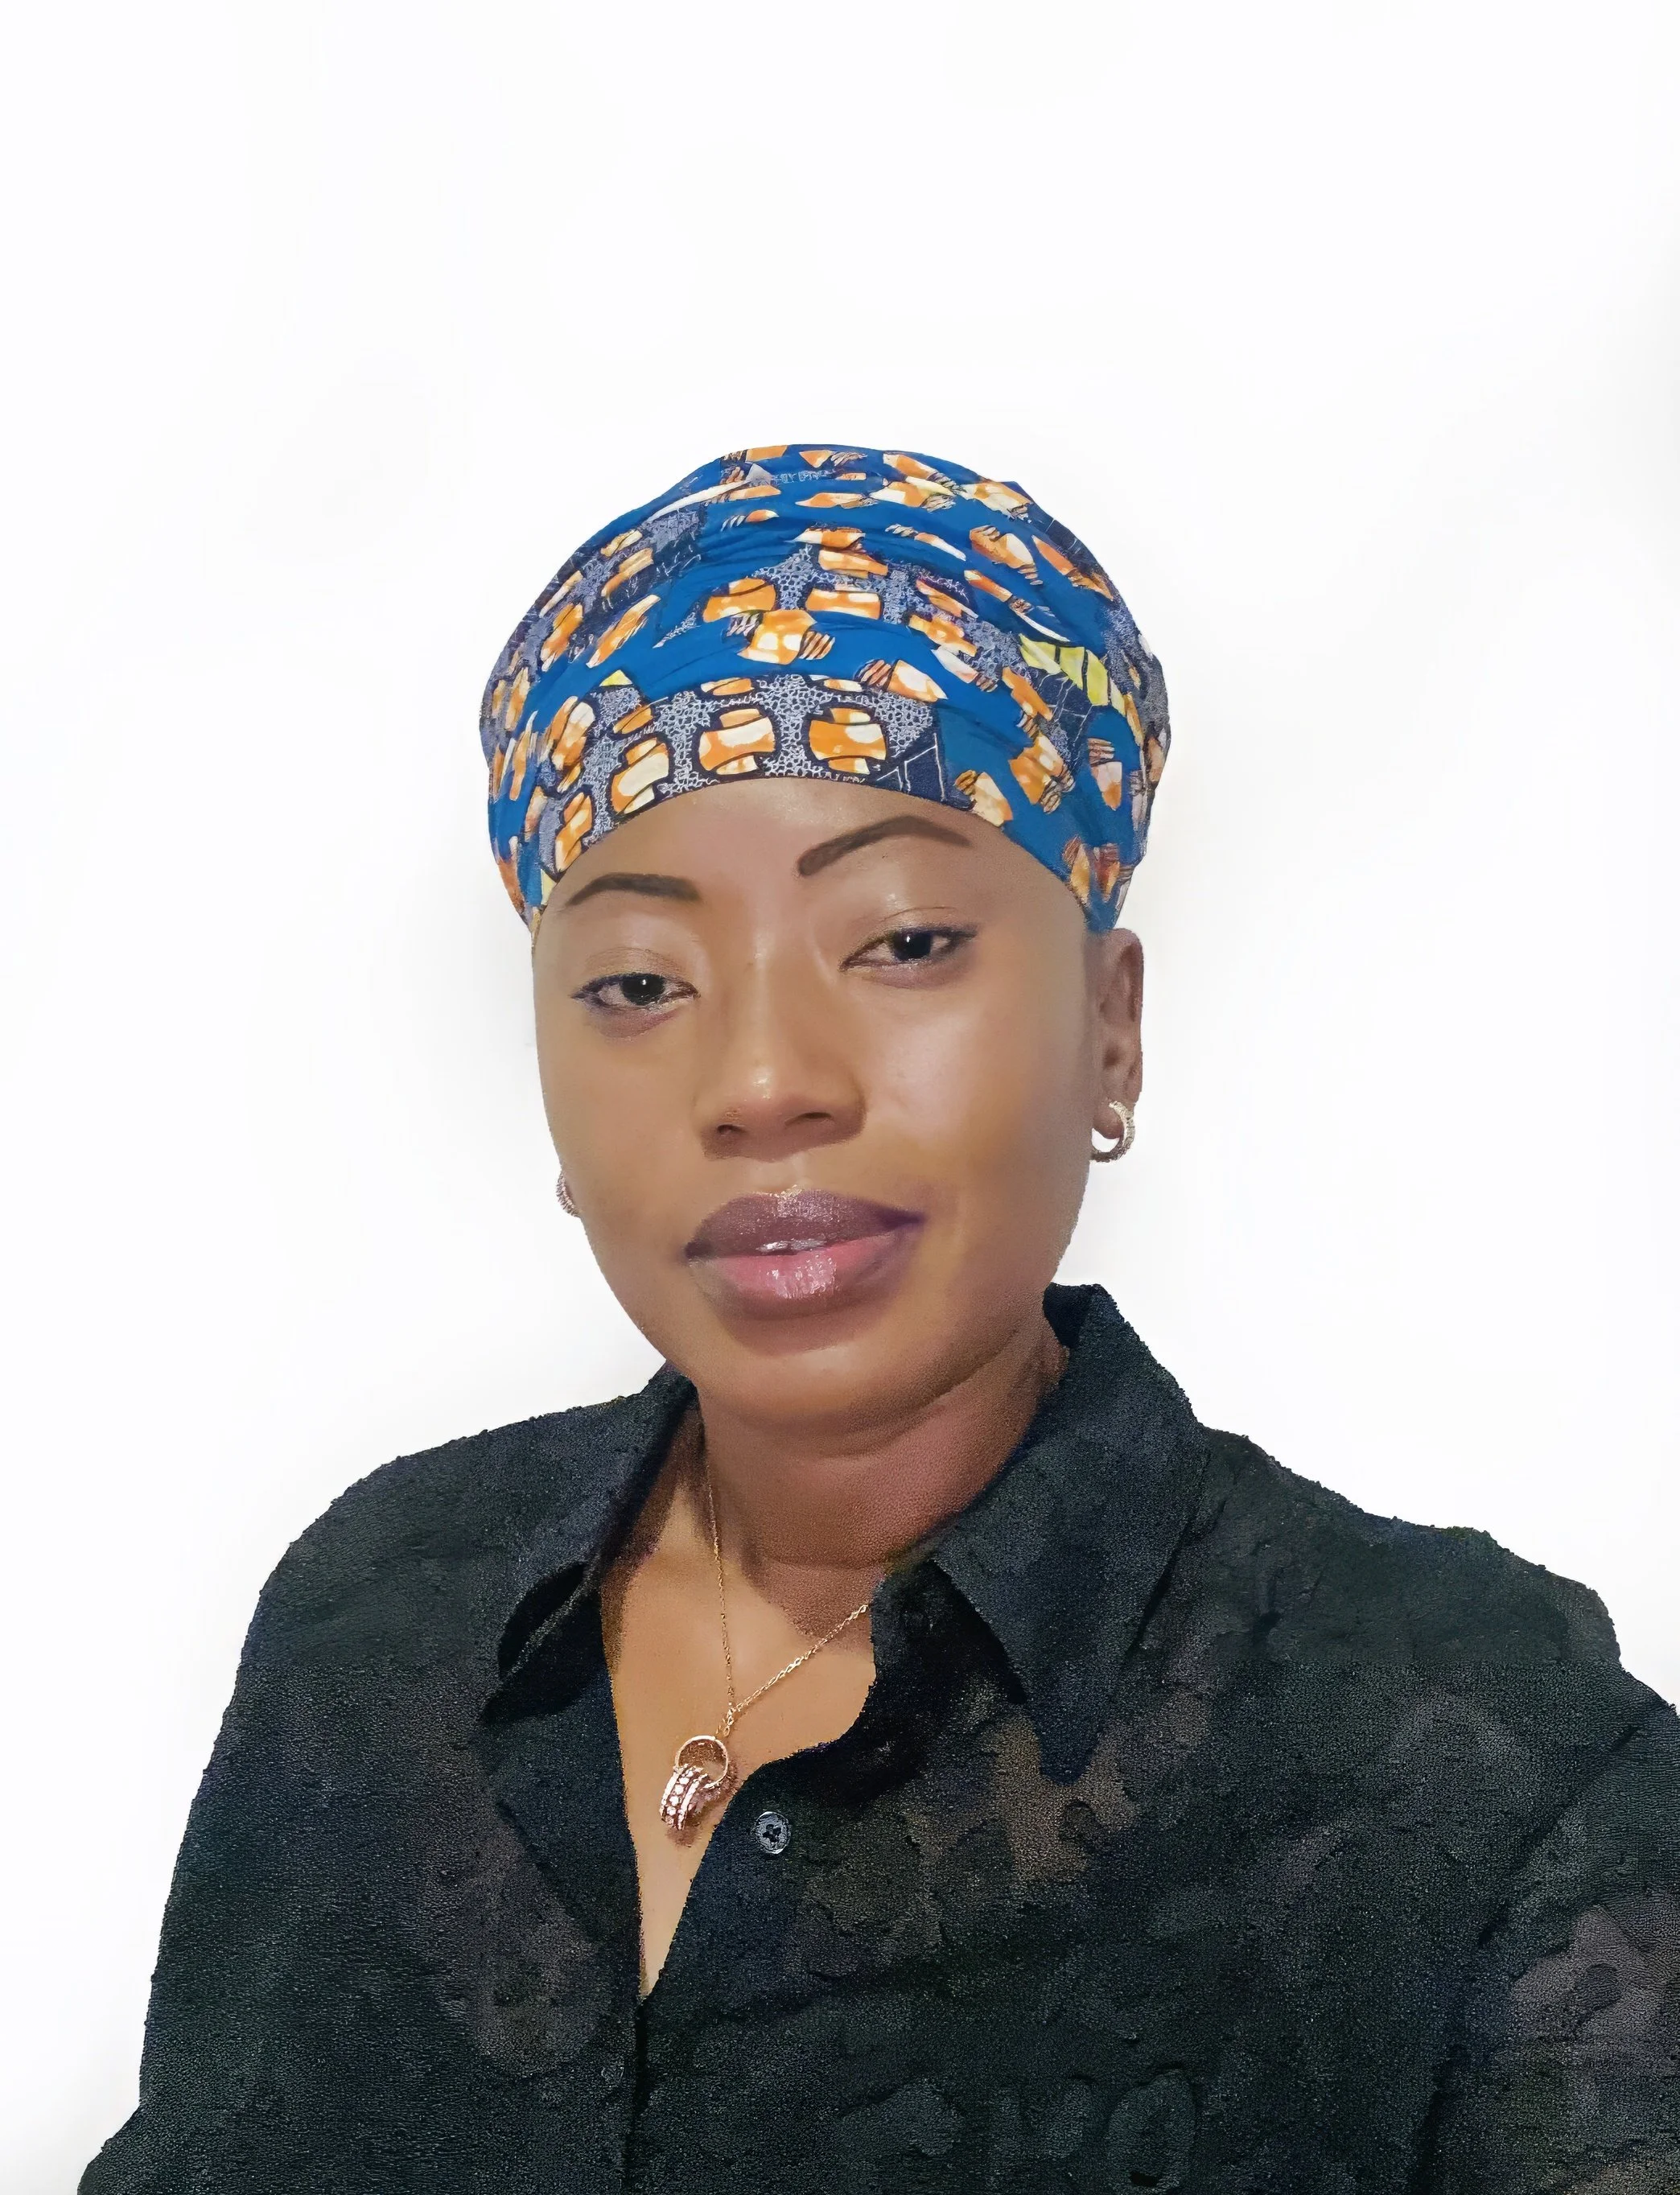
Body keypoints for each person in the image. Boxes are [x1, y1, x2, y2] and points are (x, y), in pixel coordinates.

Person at [82, 447, 1679, 2195]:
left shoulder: (1475, 1755)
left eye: (904, 939)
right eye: (637, 984)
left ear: (1112, 1023)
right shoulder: (381, 1615)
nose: (763, 1081)